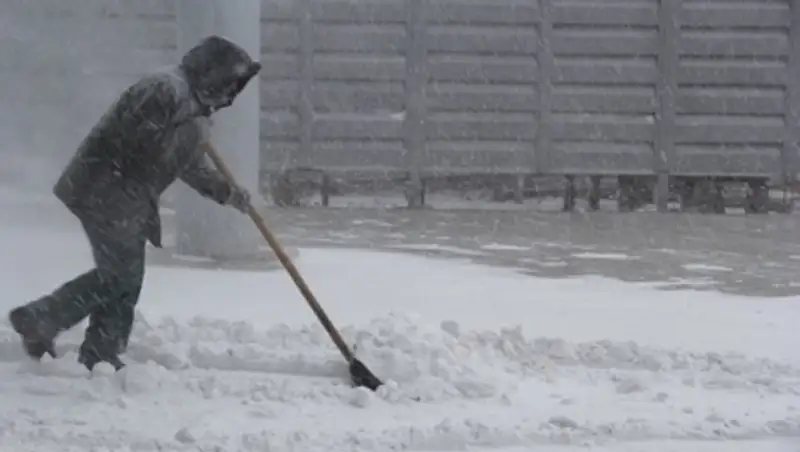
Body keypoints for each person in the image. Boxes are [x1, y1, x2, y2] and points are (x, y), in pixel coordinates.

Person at [7, 35, 262, 371]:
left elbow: (188, 164)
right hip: (105, 186)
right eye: (229, 84)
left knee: (124, 276)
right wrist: (184, 133)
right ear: (211, 73)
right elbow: (136, 143)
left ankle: (99, 350)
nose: (230, 95)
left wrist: (227, 191)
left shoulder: (193, 110)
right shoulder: (165, 90)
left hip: (126, 195)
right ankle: (43, 319)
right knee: (119, 275)